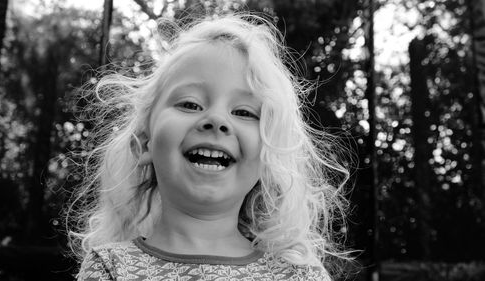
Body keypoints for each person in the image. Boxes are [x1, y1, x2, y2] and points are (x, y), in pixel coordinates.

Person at [69, 12, 354, 281]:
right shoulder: (109, 268)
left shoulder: (297, 275)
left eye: (243, 112)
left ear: (270, 155)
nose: (216, 120)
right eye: (190, 104)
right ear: (144, 143)